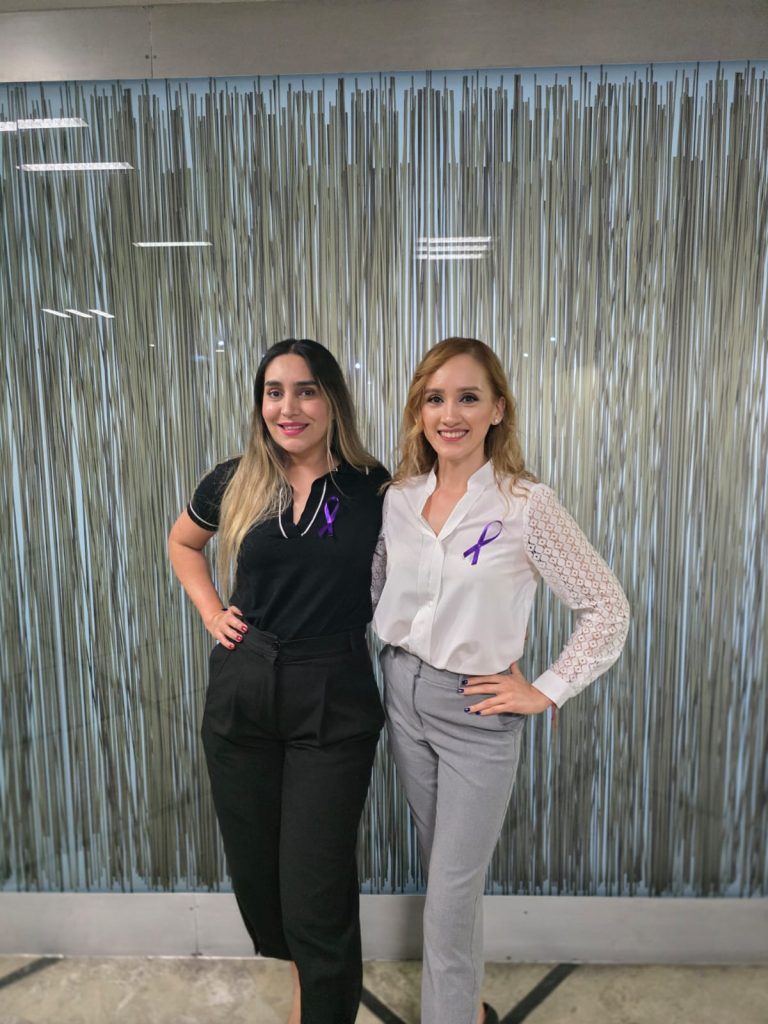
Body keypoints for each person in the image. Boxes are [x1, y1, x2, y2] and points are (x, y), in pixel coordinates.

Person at [372, 337, 630, 1024]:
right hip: (403, 695)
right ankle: (464, 1009)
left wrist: (545, 689)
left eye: (468, 397)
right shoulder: (398, 500)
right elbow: (375, 592)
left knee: (451, 893)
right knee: (446, 877)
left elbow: (607, 607)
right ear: (418, 412)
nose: (449, 414)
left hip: (476, 711)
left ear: (498, 409)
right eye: (434, 399)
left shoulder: (525, 505)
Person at [168, 338, 389, 1024]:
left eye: (306, 390)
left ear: (333, 400)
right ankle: (304, 994)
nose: (288, 407)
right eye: (274, 391)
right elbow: (183, 543)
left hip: (332, 693)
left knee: (316, 891)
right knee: (261, 881)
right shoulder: (234, 480)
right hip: (244, 690)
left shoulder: (372, 487)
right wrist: (212, 612)